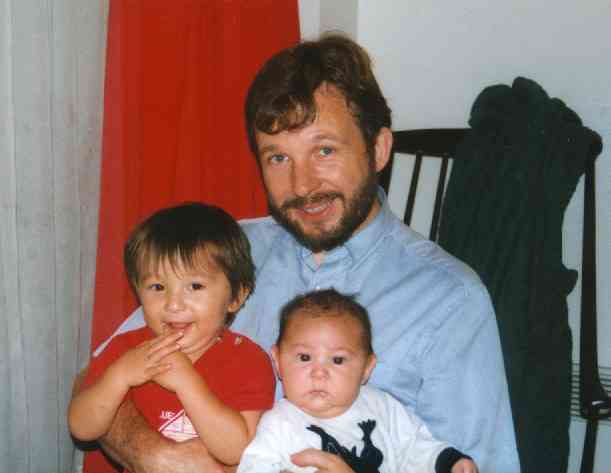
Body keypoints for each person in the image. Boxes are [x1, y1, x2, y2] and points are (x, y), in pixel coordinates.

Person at [74, 34, 520, 472]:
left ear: (379, 148)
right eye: (278, 158)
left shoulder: (449, 299)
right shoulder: (222, 252)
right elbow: (94, 377)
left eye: (324, 150)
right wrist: (156, 455)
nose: (302, 185)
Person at [68, 202, 275, 469]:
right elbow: (81, 429)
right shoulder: (127, 349)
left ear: (236, 297)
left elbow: (236, 451)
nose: (173, 304)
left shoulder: (248, 360)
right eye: (157, 287)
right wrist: (119, 377)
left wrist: (187, 383)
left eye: (195, 286)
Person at [238, 289, 479, 473]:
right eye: (304, 357)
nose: (319, 373)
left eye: (338, 360)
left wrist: (450, 462)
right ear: (278, 361)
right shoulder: (279, 424)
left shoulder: (382, 407)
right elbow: (255, 465)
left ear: (366, 368)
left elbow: (416, 445)